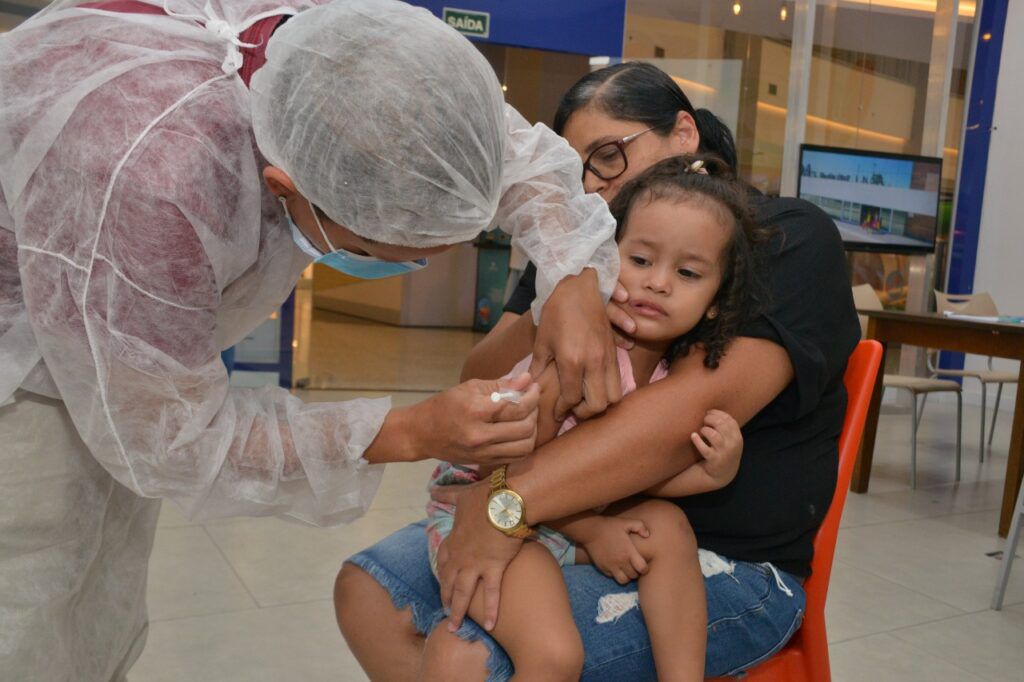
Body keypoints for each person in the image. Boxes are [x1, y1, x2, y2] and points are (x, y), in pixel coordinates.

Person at [0, 1, 629, 678]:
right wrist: (412, 431)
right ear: (285, 187)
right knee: (32, 604)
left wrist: (575, 277)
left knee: (98, 606)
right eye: (382, 251)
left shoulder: (363, 74)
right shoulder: (151, 179)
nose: (407, 268)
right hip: (23, 367)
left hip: (121, 316)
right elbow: (173, 438)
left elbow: (520, 161)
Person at [337, 61, 862, 680]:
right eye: (574, 167)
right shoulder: (586, 240)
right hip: (572, 517)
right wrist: (567, 291)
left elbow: (674, 424)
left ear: (684, 133)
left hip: (722, 558)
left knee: (472, 656)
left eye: (609, 155)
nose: (594, 183)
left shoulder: (780, 237)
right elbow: (478, 373)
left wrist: (505, 506)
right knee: (366, 591)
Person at [424, 155, 768, 680]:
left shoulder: (673, 380)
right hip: (488, 509)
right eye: (641, 260)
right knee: (556, 655)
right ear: (605, 259)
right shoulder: (577, 359)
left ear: (716, 302)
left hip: (559, 515)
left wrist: (711, 473)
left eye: (688, 272)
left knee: (669, 528)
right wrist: (592, 530)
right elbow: (510, 470)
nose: (658, 283)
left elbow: (642, 476)